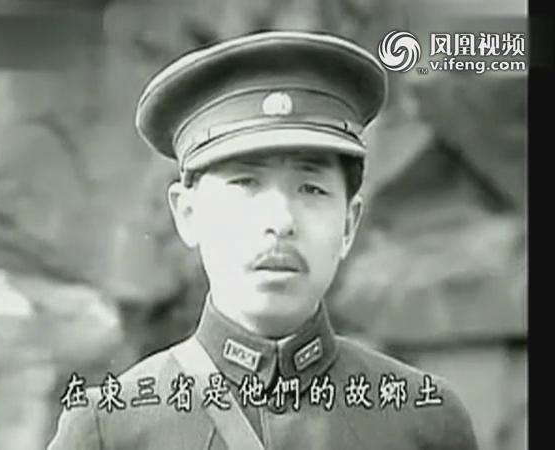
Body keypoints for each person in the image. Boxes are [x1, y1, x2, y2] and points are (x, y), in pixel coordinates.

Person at [48, 30, 478, 450]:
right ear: (188, 214)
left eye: (311, 189)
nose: (280, 221)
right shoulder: (111, 430)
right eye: (245, 184)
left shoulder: (424, 422)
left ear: (349, 224)